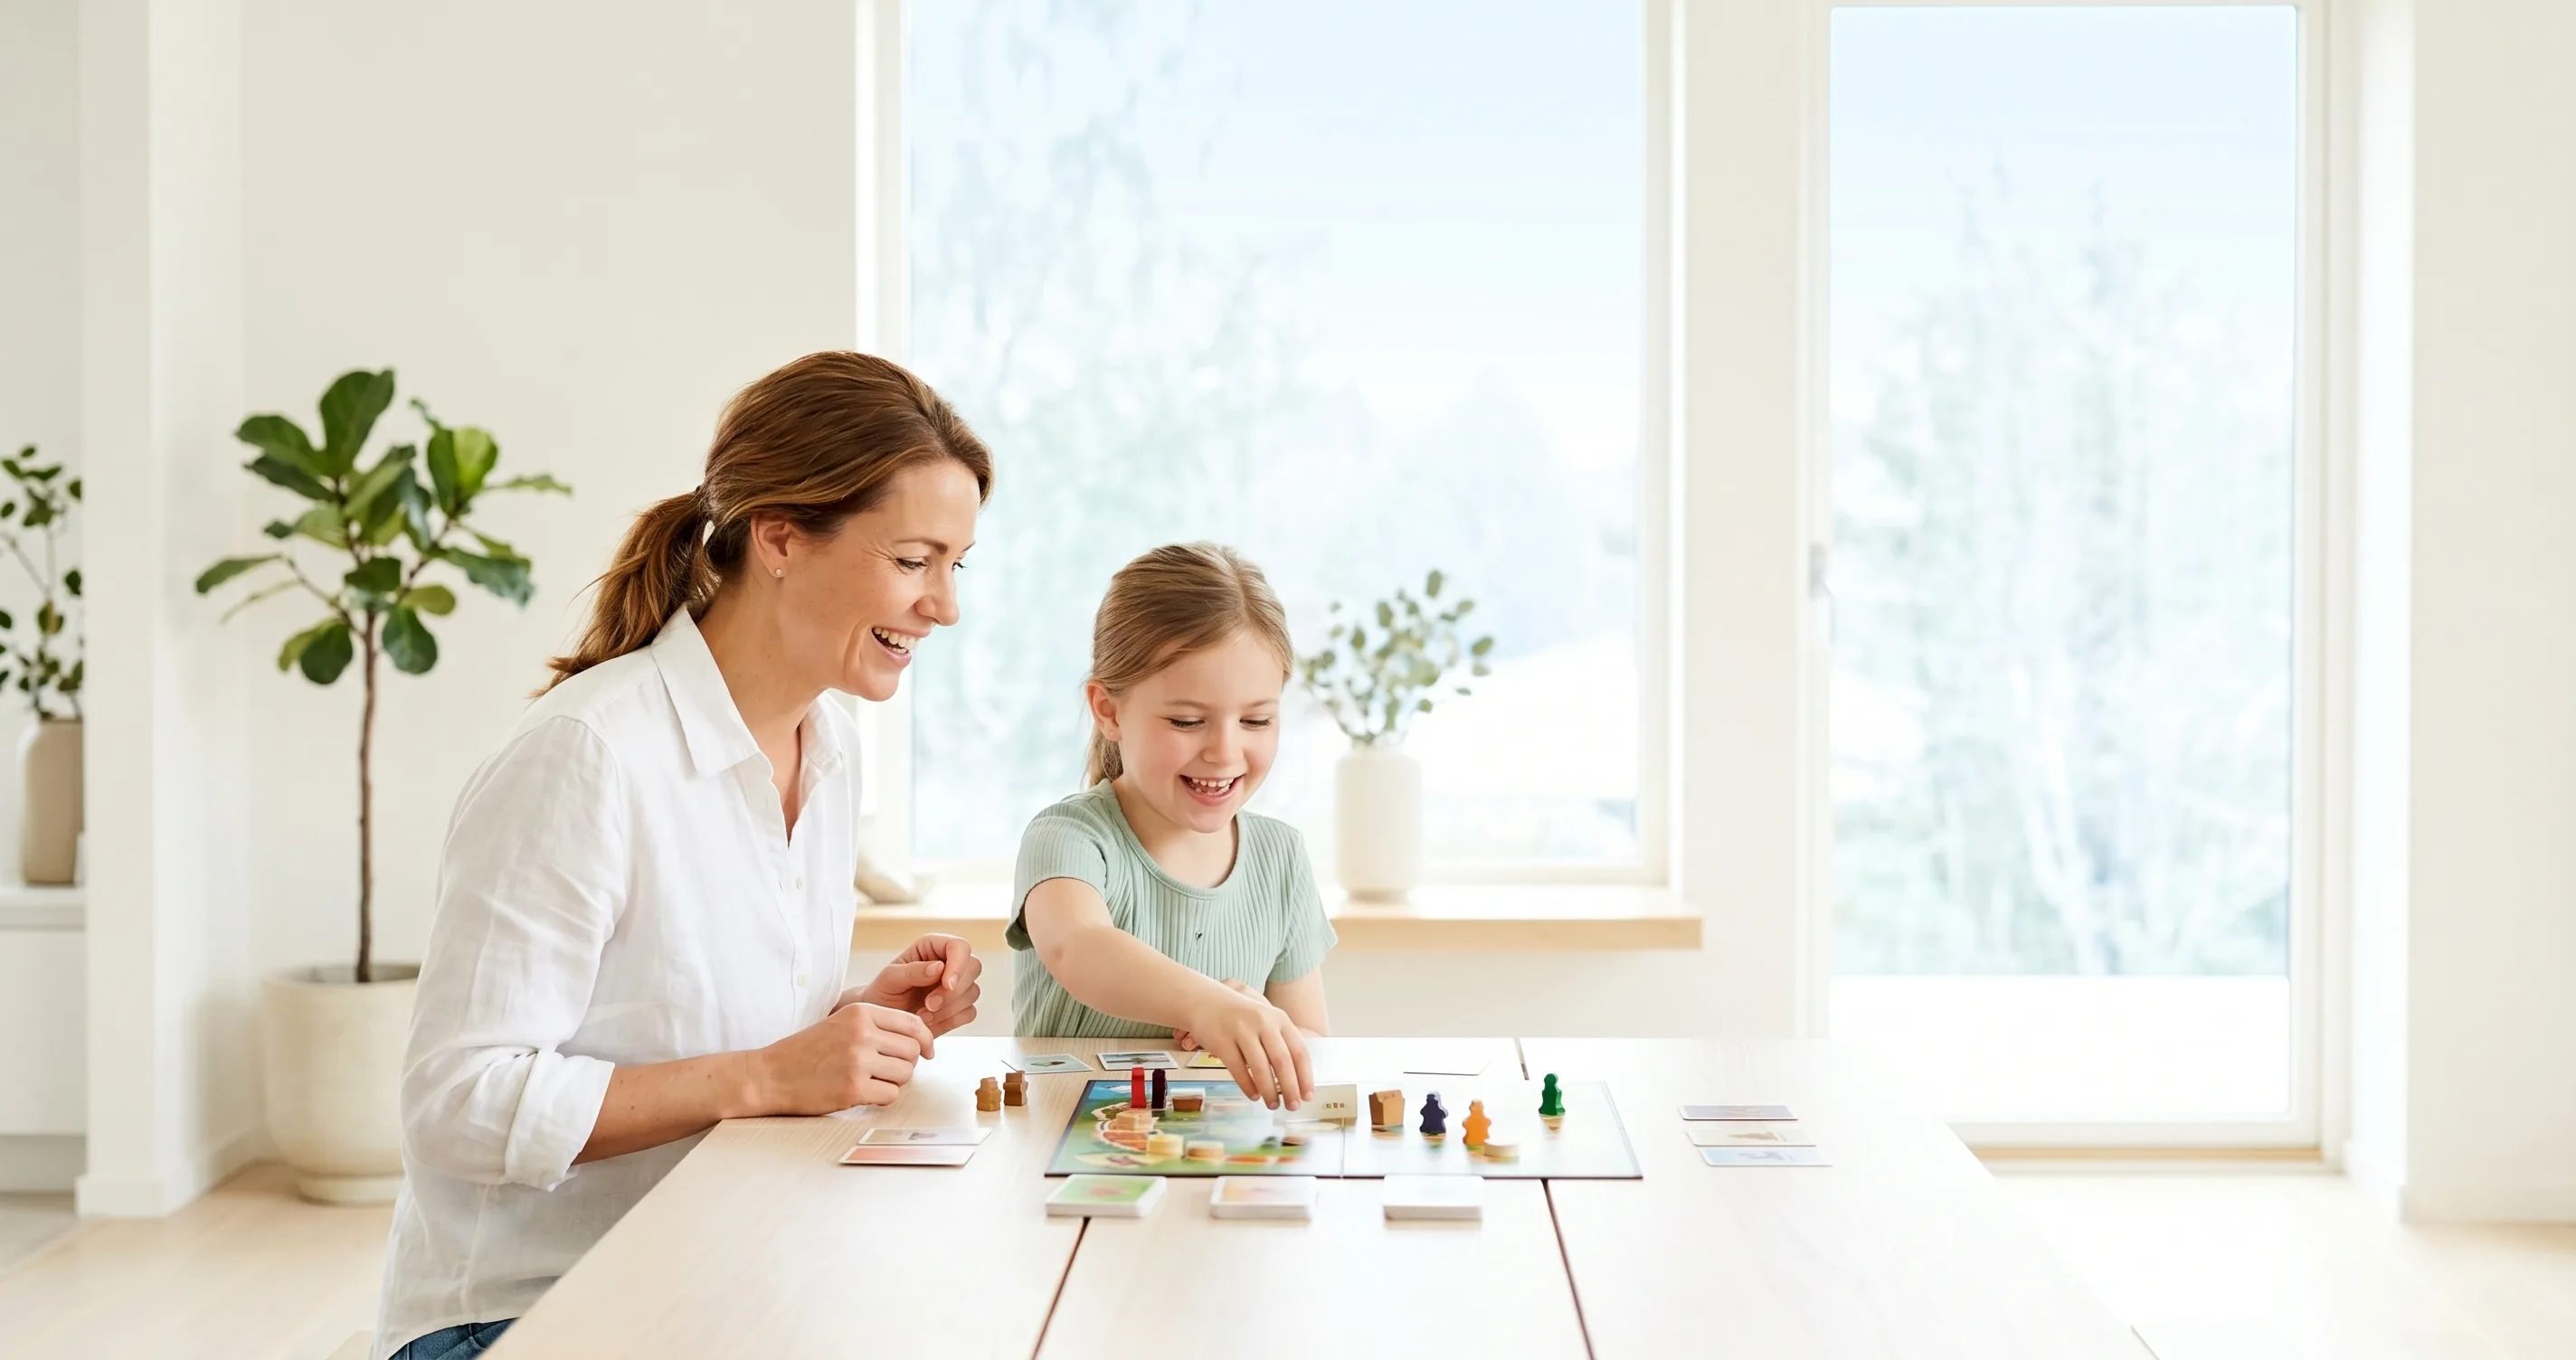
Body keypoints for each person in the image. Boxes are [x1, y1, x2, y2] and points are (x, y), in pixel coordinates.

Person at [374, 353, 993, 1360]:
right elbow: (456, 1102)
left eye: (955, 566)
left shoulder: (826, 754)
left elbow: (710, 1041)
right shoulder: (587, 756)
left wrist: (850, 1022)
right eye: (914, 559)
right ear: (781, 536)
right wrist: (764, 1075)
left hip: (719, 1279)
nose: (944, 606)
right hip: (525, 1313)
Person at [1009, 543, 1332, 1110]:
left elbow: (1310, 1042)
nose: (1225, 751)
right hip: (1063, 1164)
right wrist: (1203, 1002)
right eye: (1187, 721)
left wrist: (1257, 1024)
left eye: (1257, 720)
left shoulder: (1280, 856)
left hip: (1221, 1157)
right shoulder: (1068, 837)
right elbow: (1079, 947)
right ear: (1108, 711)